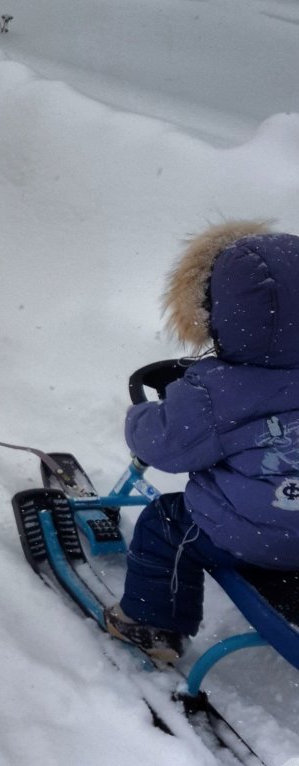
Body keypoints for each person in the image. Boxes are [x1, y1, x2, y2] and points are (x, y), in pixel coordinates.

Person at [104, 220, 299, 663]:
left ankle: (151, 624)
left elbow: (162, 447)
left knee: (167, 524)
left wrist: (141, 417)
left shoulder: (217, 391)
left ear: (221, 314)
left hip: (256, 537)